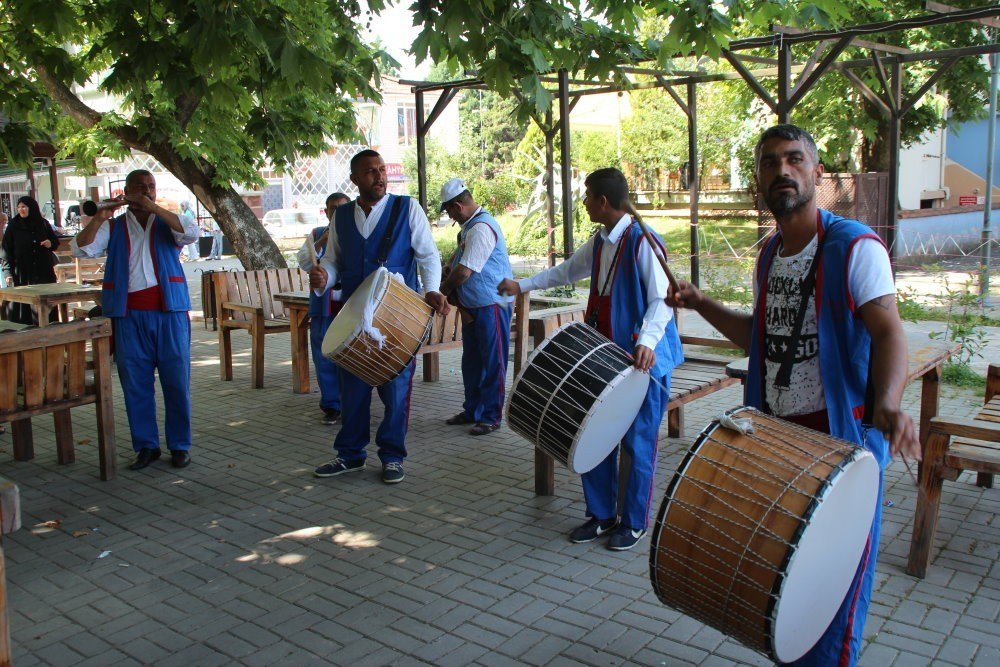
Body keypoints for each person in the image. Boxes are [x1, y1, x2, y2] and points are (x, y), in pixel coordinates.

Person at [672, 124, 919, 667]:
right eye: (769, 162)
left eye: (794, 159)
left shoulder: (854, 247)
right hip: (781, 445)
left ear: (817, 174)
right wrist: (700, 302)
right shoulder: (770, 256)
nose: (781, 170)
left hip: (840, 448)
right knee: (785, 595)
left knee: (834, 607)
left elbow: (889, 332)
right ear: (759, 178)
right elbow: (761, 341)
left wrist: (890, 404)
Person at [497, 167, 683, 551]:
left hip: (644, 362)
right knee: (593, 434)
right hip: (607, 360)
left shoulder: (643, 241)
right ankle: (601, 515)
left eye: (586, 197)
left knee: (637, 444)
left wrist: (647, 340)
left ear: (602, 201)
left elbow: (662, 299)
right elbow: (567, 271)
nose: (582, 203)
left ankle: (633, 523)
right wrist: (523, 285)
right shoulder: (601, 241)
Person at [309, 150, 448, 484]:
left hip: (397, 318)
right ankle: (350, 454)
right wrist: (325, 276)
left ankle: (392, 456)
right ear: (355, 179)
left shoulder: (406, 208)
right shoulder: (341, 216)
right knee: (352, 389)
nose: (380, 176)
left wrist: (432, 289)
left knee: (396, 390)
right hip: (356, 319)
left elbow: (428, 255)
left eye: (382, 170)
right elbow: (332, 259)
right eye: (370, 172)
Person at [72, 170, 201, 471]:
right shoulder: (114, 225)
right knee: (135, 384)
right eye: (140, 187)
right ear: (127, 191)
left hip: (170, 313)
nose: (147, 191)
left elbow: (192, 233)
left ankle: (180, 445)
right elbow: (80, 249)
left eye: (151, 187)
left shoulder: (167, 220)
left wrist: (154, 207)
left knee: (176, 382)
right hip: (128, 316)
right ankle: (146, 446)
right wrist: (99, 217)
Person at [438, 178, 514, 436]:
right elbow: (458, 264)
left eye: (448, 211)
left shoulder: (481, 228)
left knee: (493, 362)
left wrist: (443, 291)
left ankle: (492, 416)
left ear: (458, 206)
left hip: (491, 304)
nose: (449, 216)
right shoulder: (469, 228)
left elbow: (464, 272)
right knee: (472, 361)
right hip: (475, 306)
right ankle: (473, 410)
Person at [296, 192, 350, 425]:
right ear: (326, 212)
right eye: (332, 208)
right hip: (324, 305)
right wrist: (323, 241)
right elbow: (305, 261)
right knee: (323, 354)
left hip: (349, 304)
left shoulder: (357, 232)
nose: (337, 212)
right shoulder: (317, 234)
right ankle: (331, 405)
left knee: (350, 354)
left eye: (342, 208)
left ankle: (351, 402)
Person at [1, 196, 60, 324]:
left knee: (46, 305)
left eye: (24, 207)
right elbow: (6, 251)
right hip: (23, 273)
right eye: (19, 207)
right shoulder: (13, 226)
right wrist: (8, 273)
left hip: (43, 271)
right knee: (25, 308)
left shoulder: (43, 223)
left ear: (32, 208)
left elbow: (55, 241)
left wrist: (50, 243)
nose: (21, 210)